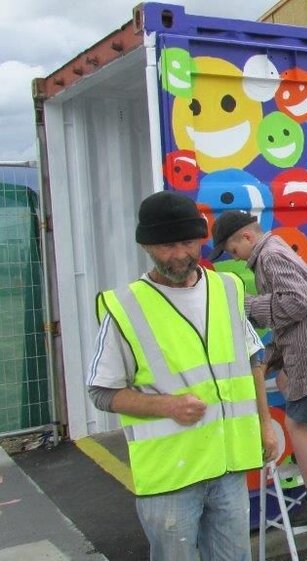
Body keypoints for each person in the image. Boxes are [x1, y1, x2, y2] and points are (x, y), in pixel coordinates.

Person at [86, 191, 279, 561]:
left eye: (188, 242)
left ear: (202, 239)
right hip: (170, 479)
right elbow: (101, 392)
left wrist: (265, 424)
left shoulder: (227, 288)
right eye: (166, 246)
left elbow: (254, 358)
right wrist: (168, 405)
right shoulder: (125, 307)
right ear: (146, 246)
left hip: (228, 466)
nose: (179, 254)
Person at [210, 210, 307, 527]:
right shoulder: (274, 250)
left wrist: (249, 305)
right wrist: (273, 357)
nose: (235, 258)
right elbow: (295, 316)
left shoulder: (269, 257)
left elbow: (297, 302)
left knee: (295, 426)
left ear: (247, 237)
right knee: (283, 379)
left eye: (233, 250)